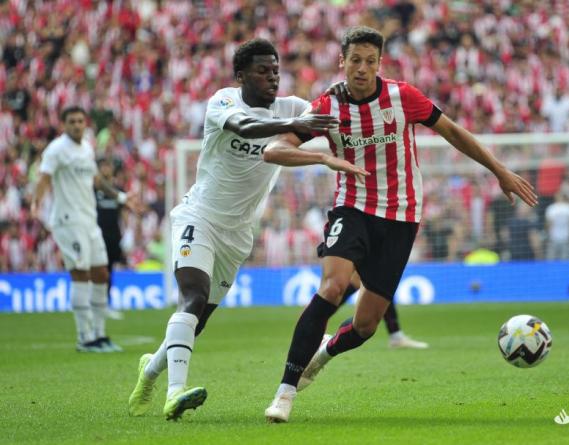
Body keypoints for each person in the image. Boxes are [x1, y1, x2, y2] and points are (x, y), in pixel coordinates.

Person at [262, 26, 537, 423]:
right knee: (333, 286)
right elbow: (275, 150)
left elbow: (453, 132)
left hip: (401, 216)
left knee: (366, 325)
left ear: (379, 64)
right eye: (355, 60)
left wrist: (499, 170)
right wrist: (322, 158)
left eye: (369, 61)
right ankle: (284, 393)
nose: (361, 69)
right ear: (343, 61)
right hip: (352, 207)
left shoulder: (402, 97)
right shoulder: (326, 107)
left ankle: (323, 354)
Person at [127, 38, 363, 421]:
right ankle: (176, 393)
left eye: (275, 70)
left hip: (237, 234)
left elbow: (329, 115)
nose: (272, 77)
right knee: (192, 297)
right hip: (198, 217)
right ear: (240, 76)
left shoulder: (292, 107)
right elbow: (245, 126)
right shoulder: (224, 102)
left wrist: (342, 96)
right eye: (262, 70)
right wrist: (294, 124)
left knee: (198, 320)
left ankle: (149, 372)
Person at [31, 106, 133, 353]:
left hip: (89, 221)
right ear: (64, 124)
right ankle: (84, 338)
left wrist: (121, 198)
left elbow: (97, 181)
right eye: (72, 121)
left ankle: (99, 335)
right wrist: (36, 205)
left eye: (80, 121)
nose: (77, 125)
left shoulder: (87, 148)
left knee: (101, 274)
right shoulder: (56, 150)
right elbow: (44, 180)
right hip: (68, 221)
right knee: (81, 275)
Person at [95, 157, 126, 320]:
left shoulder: (117, 190)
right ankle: (95, 304)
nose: (106, 169)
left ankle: (105, 304)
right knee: (97, 271)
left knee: (109, 271)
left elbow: (122, 213)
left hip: (113, 236)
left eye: (108, 165)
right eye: (103, 166)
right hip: (97, 236)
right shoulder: (93, 190)